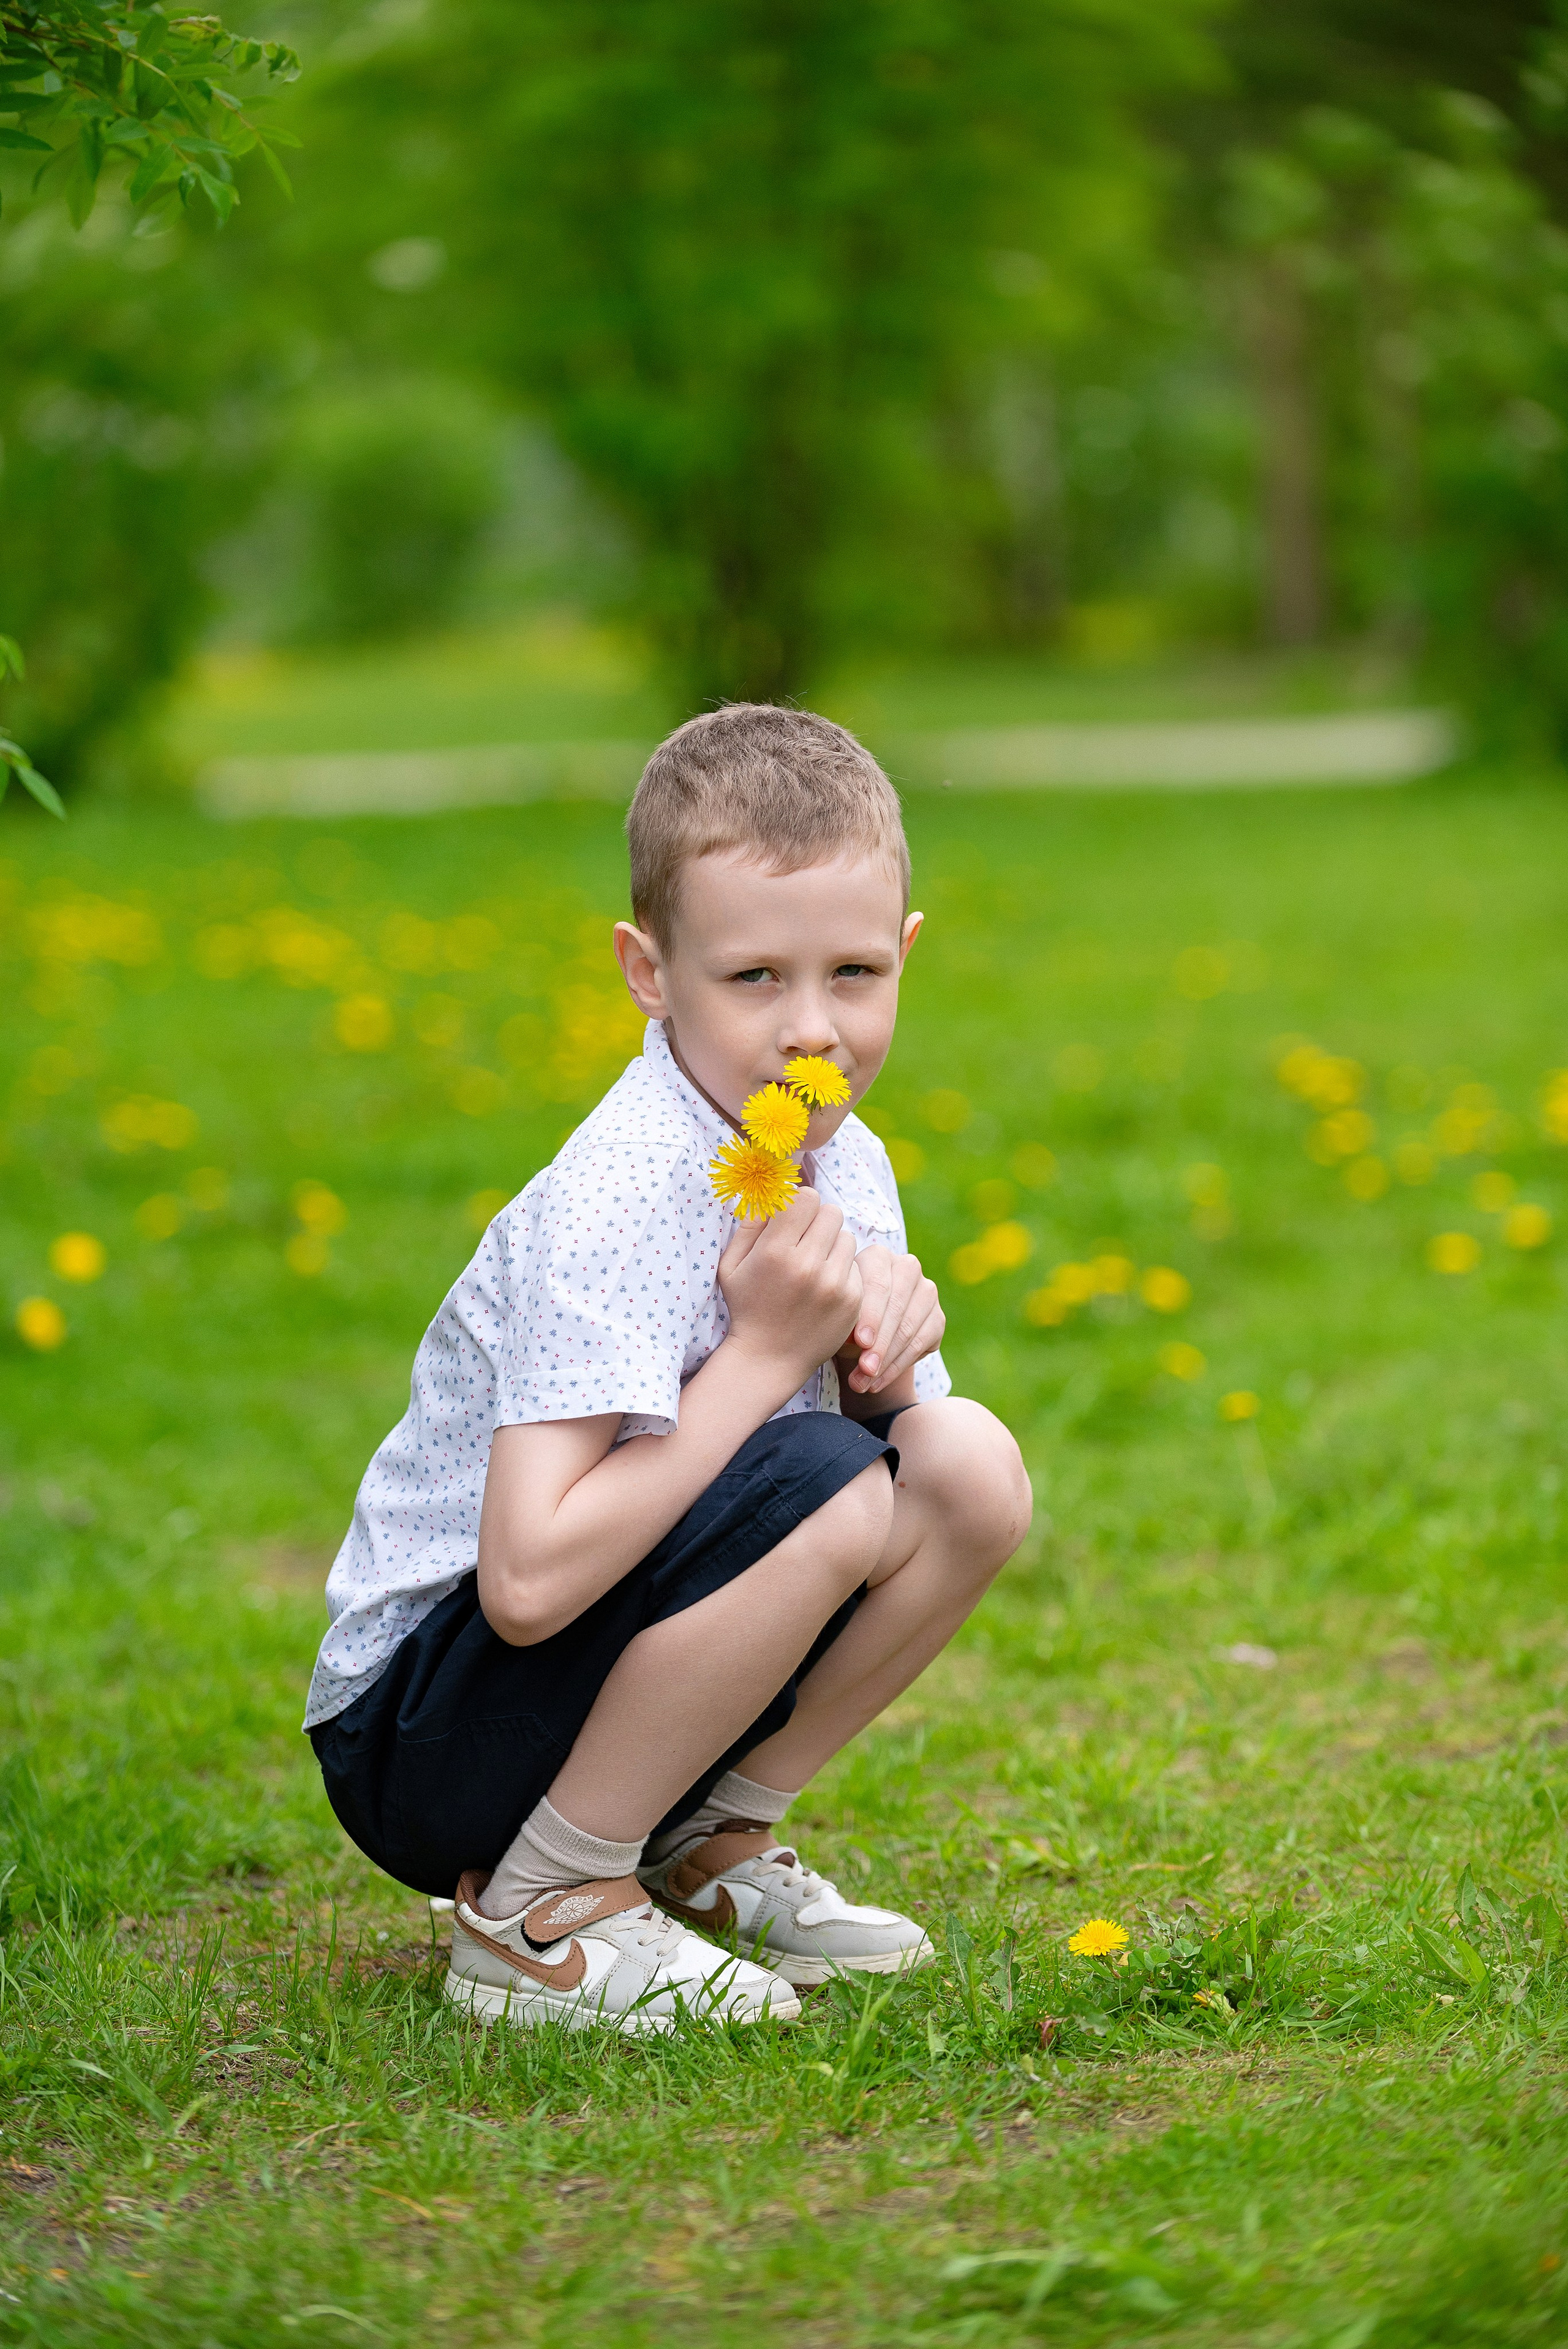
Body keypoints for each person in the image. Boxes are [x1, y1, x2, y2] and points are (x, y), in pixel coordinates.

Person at [304, 704, 1032, 2035]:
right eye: (753, 977)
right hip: (418, 1728)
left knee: (962, 1464)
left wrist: (877, 1369)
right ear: (649, 970)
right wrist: (762, 1357)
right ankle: (545, 1910)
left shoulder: (834, 1153)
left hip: (573, 1683)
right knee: (829, 1482)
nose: (811, 1031)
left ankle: (701, 1849)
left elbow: (862, 1468)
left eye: (855, 975)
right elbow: (526, 1584)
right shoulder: (624, 1193)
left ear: (905, 955)